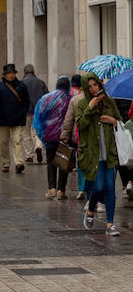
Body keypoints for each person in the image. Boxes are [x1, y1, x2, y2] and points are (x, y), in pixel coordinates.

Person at [76, 73, 122, 234]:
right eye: (90, 86)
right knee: (99, 186)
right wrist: (90, 107)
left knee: (110, 187)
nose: (94, 88)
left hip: (109, 152)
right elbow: (80, 125)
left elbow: (120, 122)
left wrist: (113, 121)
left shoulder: (109, 102)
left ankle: (110, 225)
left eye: (96, 85)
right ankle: (91, 209)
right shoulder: (82, 104)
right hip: (92, 154)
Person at [32, 76, 72, 199]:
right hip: (64, 136)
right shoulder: (70, 99)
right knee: (63, 161)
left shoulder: (46, 98)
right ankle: (61, 190)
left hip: (49, 135)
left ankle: (52, 188)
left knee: (50, 161)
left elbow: (39, 115)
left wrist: (41, 132)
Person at [0, 62, 29, 173]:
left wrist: (23, 112)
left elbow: (26, 101)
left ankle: (18, 163)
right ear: (4, 75)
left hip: (18, 118)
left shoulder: (21, 85)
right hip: (3, 119)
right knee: (3, 142)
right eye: (9, 73)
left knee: (17, 141)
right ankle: (5, 163)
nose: (11, 75)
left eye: (12, 73)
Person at [59, 74, 87, 202]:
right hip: (91, 137)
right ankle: (87, 187)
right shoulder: (99, 98)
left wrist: (65, 135)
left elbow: (68, 120)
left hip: (78, 137)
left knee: (81, 162)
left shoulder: (75, 99)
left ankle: (82, 188)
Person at [22, 64, 48, 163]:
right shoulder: (40, 82)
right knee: (37, 132)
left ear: (24, 73)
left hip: (25, 112)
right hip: (38, 112)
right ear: (34, 72)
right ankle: (38, 147)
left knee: (26, 134)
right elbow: (46, 96)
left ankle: (29, 155)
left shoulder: (20, 83)